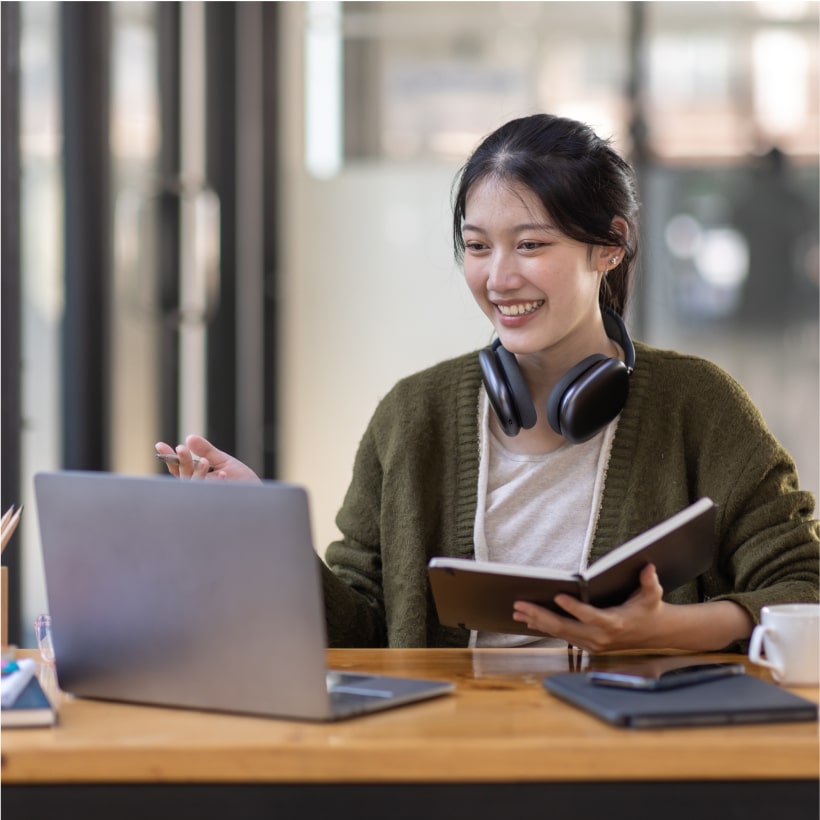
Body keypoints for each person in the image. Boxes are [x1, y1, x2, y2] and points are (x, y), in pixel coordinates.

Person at [157, 113, 819, 654]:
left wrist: (666, 630)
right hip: (451, 757)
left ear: (610, 246)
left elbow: (805, 586)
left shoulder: (698, 405)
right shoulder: (413, 415)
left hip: (631, 761)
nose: (498, 278)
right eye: (477, 247)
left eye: (530, 245)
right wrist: (261, 531)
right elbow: (362, 630)